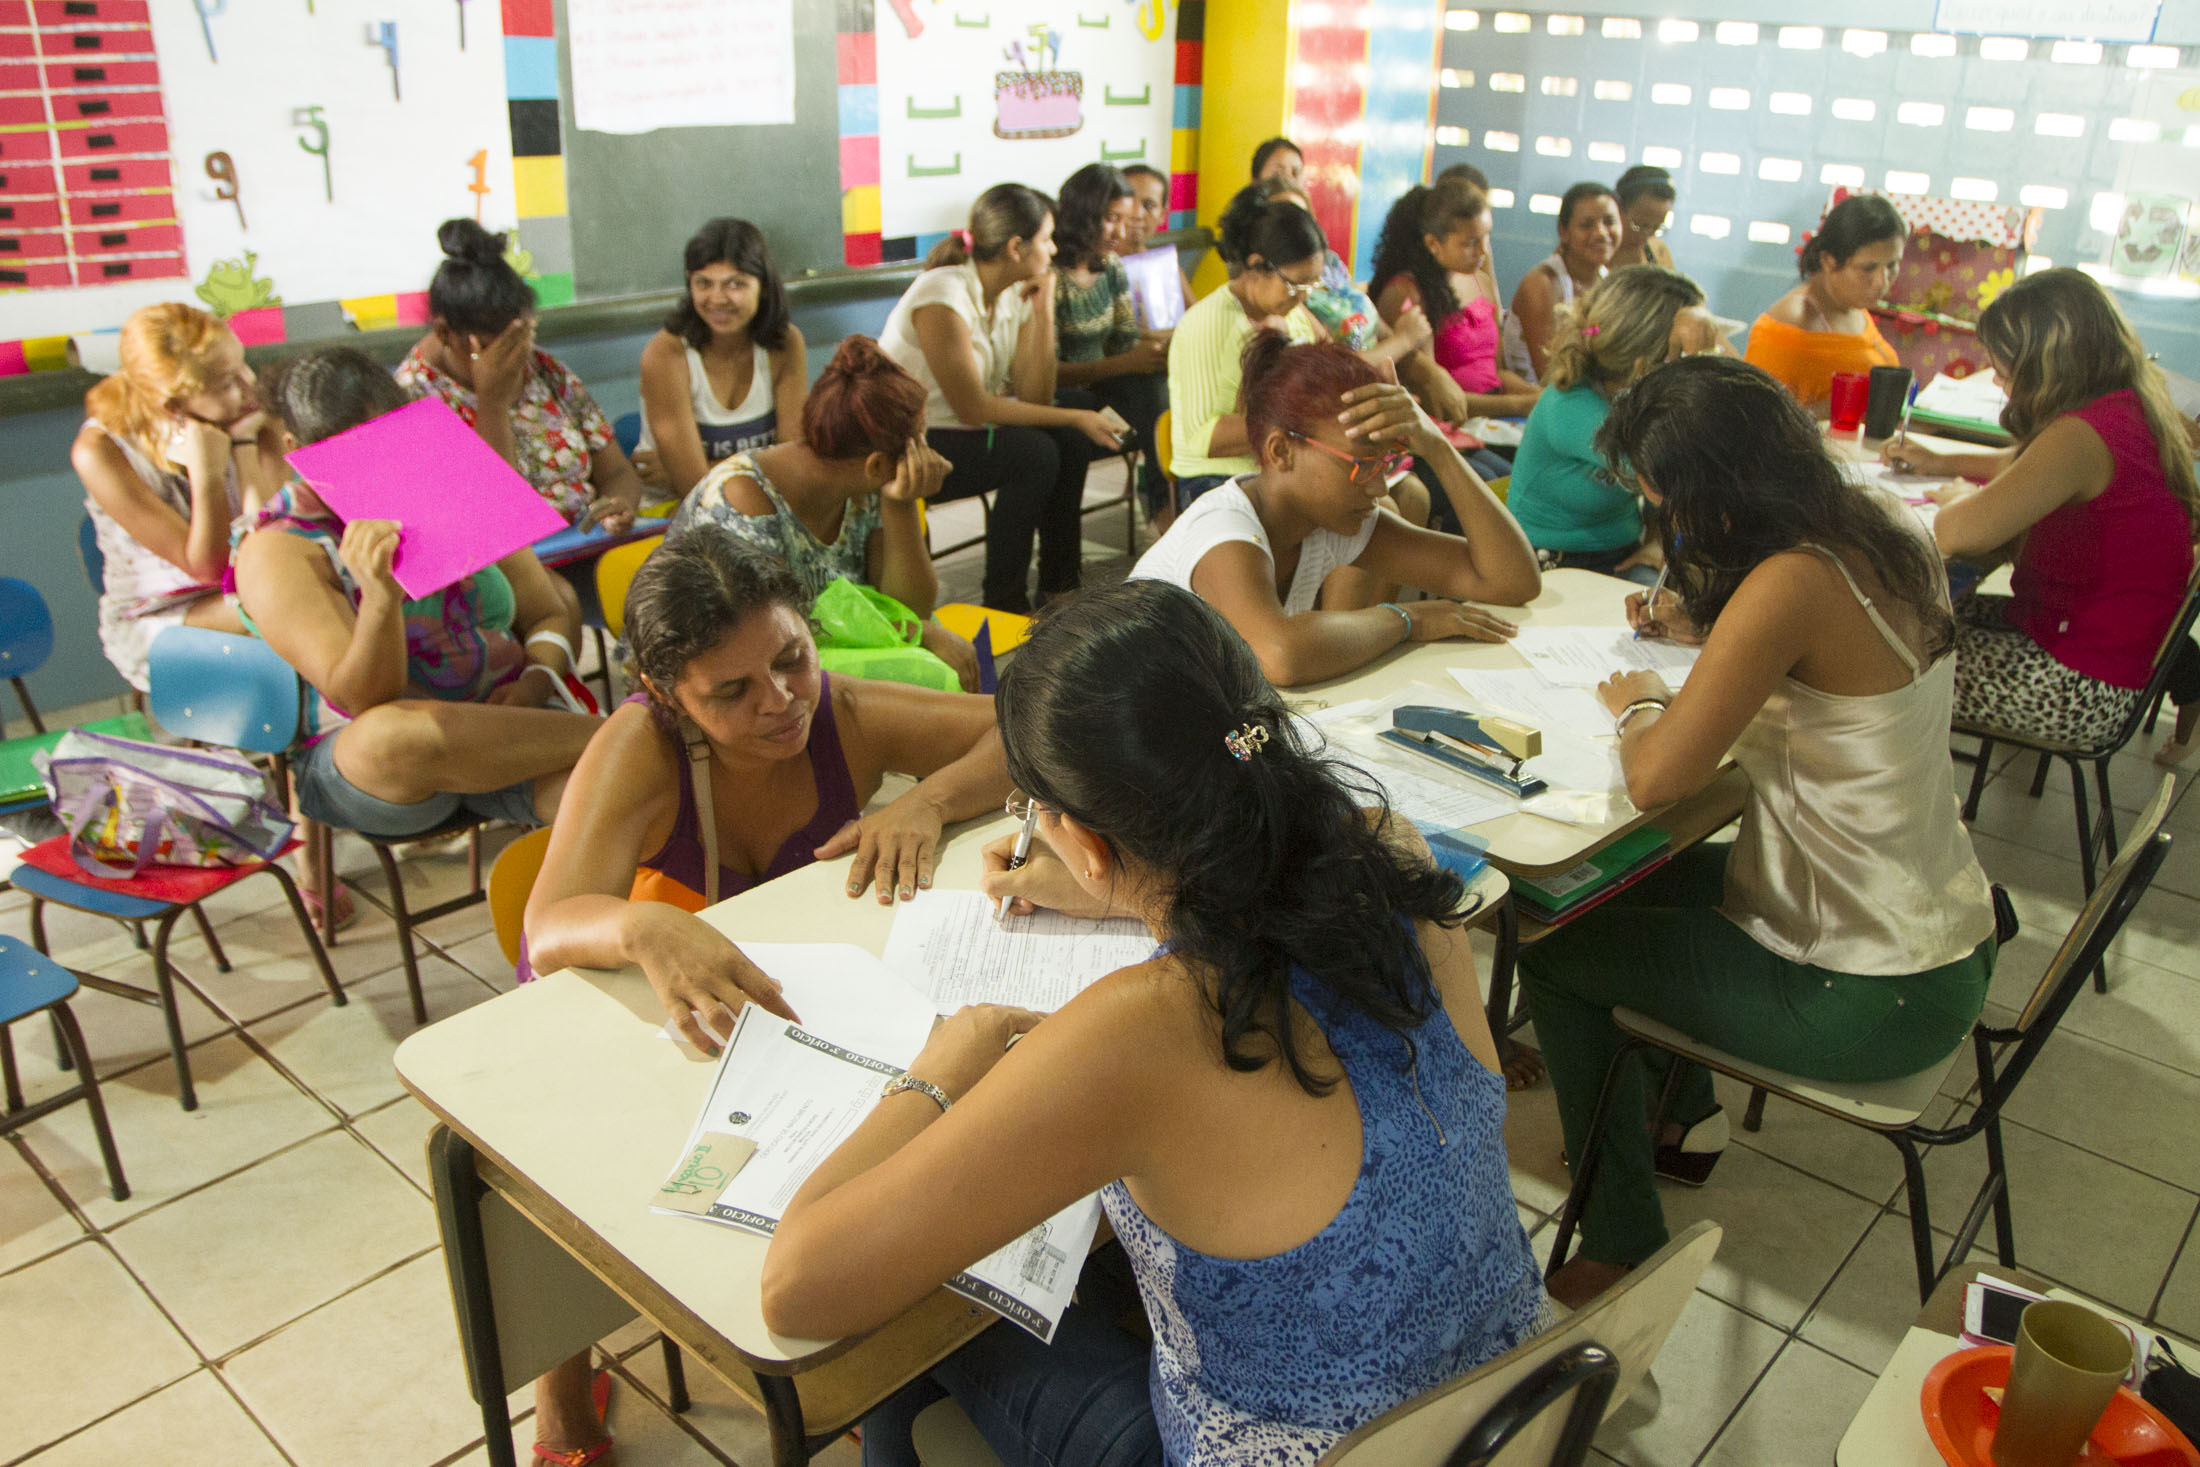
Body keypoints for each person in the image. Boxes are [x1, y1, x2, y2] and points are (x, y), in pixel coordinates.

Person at [761, 578, 1552, 1467]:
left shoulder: (1141, 1032)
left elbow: (798, 1287)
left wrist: (940, 1072)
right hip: (1511, 1413)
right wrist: (1130, 899)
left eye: (1038, 817)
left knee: (917, 1333)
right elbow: (1277, 880)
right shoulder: (1386, 845)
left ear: (1089, 844)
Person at [1517, 356, 1997, 1309]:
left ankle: (1623, 1239)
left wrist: (1641, 701)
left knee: (1556, 951)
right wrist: (1715, 630)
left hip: (1863, 987)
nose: (1672, 534)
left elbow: (1657, 775)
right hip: (1937, 935)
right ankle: (1677, 1119)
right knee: (1603, 895)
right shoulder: (1877, 523)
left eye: (1676, 514)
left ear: (1725, 494)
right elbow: (1830, 667)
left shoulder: (1789, 581)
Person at [522, 531, 1007, 1466]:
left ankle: (849, 1349)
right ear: (669, 695)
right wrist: (640, 927)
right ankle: (558, 1392)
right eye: (732, 691)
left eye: (791, 659)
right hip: (624, 1011)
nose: (780, 699)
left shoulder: (842, 714)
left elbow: (1022, 729)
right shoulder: (639, 746)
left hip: (778, 1020)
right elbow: (549, 926)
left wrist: (928, 801)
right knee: (557, 1195)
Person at [231, 347, 599, 844]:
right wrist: (379, 596)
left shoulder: (452, 479)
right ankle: (632, 733)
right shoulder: (278, 548)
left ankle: (631, 752)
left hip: (507, 731)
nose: (374, 469)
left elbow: (550, 609)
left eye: (388, 444)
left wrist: (536, 677)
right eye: (346, 453)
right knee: (394, 736)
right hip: (381, 771)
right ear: (297, 448)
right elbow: (363, 699)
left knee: (621, 798)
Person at [1886, 268, 2197, 750]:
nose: (2001, 384)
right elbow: (2027, 463)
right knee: (1904, 624)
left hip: (2074, 687)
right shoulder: (2124, 408)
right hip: (2099, 659)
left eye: (2005, 371)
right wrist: (1944, 460)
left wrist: (1960, 496)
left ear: (2045, 366)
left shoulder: (2079, 438)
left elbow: (1954, 534)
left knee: (1873, 655)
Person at [1133, 333, 1540, 686]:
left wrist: (1437, 446)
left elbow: (1510, 582)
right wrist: (1407, 619)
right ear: (1280, 451)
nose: (1380, 485)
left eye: (1386, 463)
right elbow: (1281, 654)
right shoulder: (1222, 529)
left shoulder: (1326, 519)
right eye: (1362, 464)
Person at [668, 336, 980, 689]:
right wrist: (920, 633)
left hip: (822, 644)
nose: (927, 454)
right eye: (918, 443)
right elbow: (776, 639)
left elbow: (911, 606)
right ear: (876, 465)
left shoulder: (865, 485)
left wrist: (901, 504)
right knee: (932, 676)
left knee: (939, 661)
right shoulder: (744, 499)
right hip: (737, 666)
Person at [877, 183, 1123, 612]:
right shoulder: (942, 295)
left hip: (963, 428)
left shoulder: (1012, 295)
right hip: (909, 442)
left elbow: (1035, 394)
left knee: (1067, 436)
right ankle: (1004, 604)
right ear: (1016, 247)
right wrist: (1074, 418)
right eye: (1046, 238)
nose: (1052, 250)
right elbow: (973, 406)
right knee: (1035, 452)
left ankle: (1060, 588)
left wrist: (1043, 311)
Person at [396, 218, 644, 534]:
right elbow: (493, 519)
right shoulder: (410, 401)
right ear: (445, 333)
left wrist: (619, 502)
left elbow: (617, 472)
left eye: (520, 338)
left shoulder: (544, 369)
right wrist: (492, 401)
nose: (514, 358)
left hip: (587, 545)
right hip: (517, 566)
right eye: (493, 347)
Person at [72, 302, 270, 692]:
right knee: (285, 602)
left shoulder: (248, 417)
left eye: (245, 365)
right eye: (228, 383)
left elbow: (269, 537)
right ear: (174, 406)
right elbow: (208, 567)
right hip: (158, 622)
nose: (250, 386)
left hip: (249, 586)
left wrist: (246, 445)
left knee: (297, 592)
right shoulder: (100, 450)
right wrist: (208, 475)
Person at [1507, 265, 1730, 582]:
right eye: (1682, 351)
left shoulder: (1637, 399)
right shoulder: (1570, 405)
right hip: (1546, 564)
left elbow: (1667, 497)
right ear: (1645, 363)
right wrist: (1705, 360)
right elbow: (1672, 473)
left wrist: (1656, 540)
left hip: (1621, 555)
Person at [1165, 187, 1330, 506]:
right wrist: (1304, 420)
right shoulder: (1209, 323)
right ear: (1256, 265)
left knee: (1397, 499)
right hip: (1217, 479)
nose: (1304, 296)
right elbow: (1205, 439)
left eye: (1313, 284)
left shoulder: (1292, 314)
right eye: (1296, 284)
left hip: (1280, 467)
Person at [636, 217, 808, 500]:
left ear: (763, 286)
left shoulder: (786, 343)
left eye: (735, 284)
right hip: (673, 514)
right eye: (703, 283)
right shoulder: (665, 355)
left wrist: (708, 467)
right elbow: (694, 486)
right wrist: (768, 463)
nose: (717, 299)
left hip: (764, 505)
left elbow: (795, 463)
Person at [1051, 163, 1171, 518]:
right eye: (1110, 218)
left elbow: (1124, 343)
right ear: (1082, 215)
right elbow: (1045, 375)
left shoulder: (1111, 267)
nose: (1120, 231)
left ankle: (1168, 508)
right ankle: (1165, 510)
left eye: (1125, 219)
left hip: (1102, 388)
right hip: (1056, 395)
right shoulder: (1050, 276)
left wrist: (1158, 351)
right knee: (1144, 391)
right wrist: (1126, 363)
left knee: (1156, 387)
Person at [1373, 181, 1542, 422]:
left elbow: (1495, 373)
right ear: (1433, 244)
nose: (1482, 251)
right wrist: (1520, 404)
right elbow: (1434, 399)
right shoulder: (1407, 295)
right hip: (1451, 424)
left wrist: (1541, 397)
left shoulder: (1479, 281)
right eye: (1470, 243)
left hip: (1497, 415)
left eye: (1486, 237)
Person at [1744, 194, 1905, 409]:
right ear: (1829, 261)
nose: (1882, 282)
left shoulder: (1852, 307)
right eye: (1868, 268)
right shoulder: (1794, 322)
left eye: (1892, 265)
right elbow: (1760, 419)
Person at [1508, 182, 1622, 381]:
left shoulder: (1610, 282)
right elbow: (1550, 374)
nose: (1601, 233)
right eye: (1587, 225)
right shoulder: (1542, 283)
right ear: (1563, 231)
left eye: (1609, 221)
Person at [1118, 162, 1196, 325]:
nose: (1137, 214)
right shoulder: (1097, 268)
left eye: (1149, 205)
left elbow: (1198, 322)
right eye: (1128, 202)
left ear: (1162, 214)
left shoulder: (1167, 266)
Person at [1609, 165, 1677, 269]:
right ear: (1617, 208)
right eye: (1640, 225)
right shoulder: (1595, 251)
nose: (1646, 236)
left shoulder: (1658, 252)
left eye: (1656, 228)